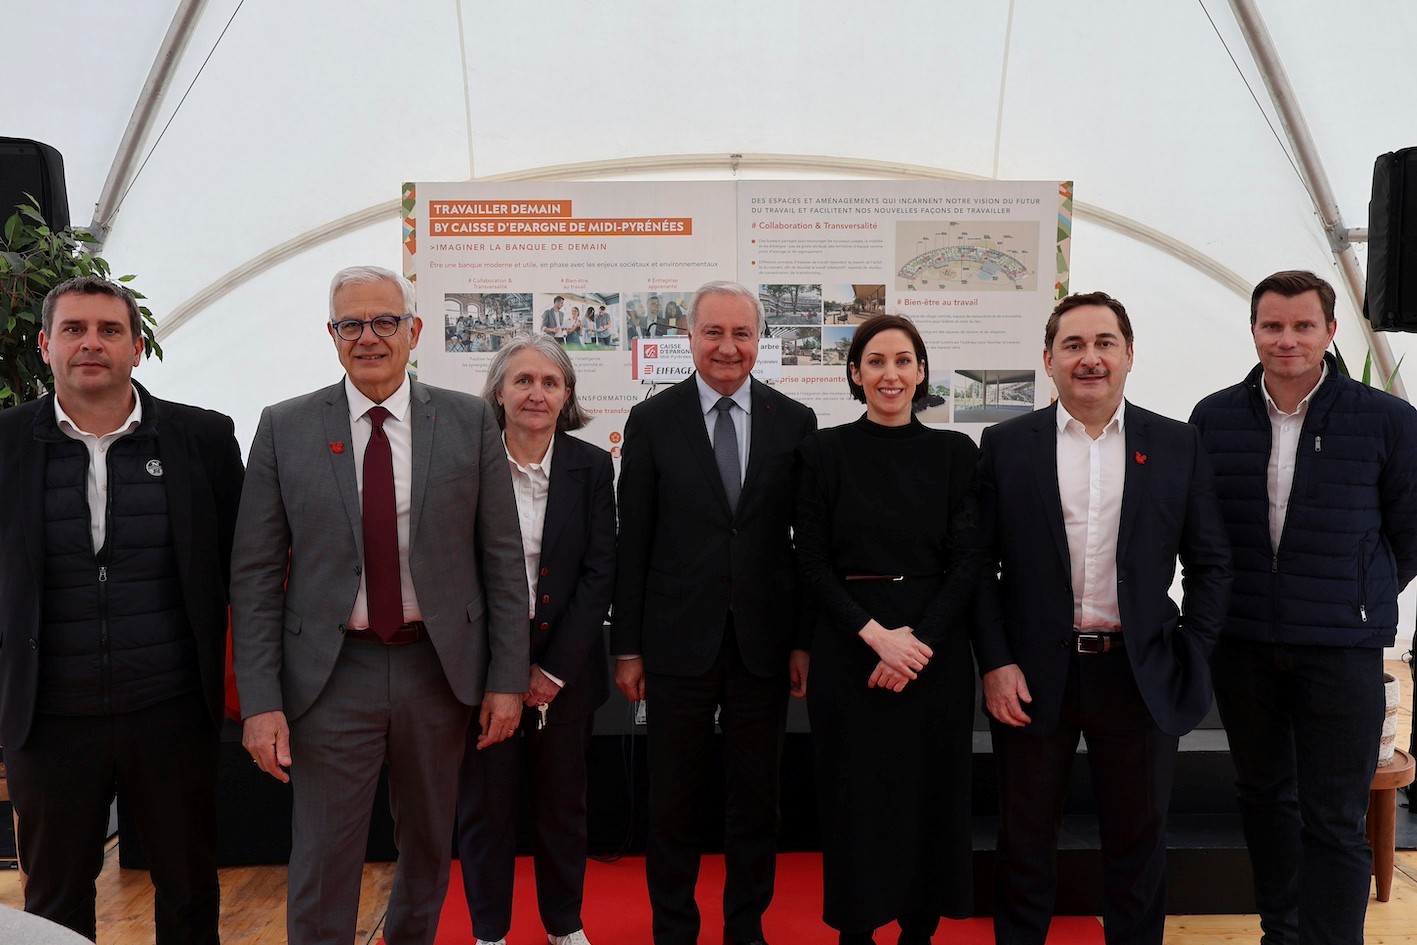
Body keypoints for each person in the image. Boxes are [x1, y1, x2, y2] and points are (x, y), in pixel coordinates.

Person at [230, 265, 528, 945]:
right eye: (351, 323)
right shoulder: (284, 427)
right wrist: (259, 700)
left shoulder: (469, 421)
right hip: (331, 675)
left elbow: (502, 561)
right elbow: (252, 575)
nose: (369, 336)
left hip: (438, 669)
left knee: (427, 849)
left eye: (384, 321)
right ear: (332, 335)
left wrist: (507, 679)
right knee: (323, 858)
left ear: (413, 330)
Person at [975, 291, 1231, 945]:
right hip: (1031, 675)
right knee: (1024, 838)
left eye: (1103, 343)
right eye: (1072, 345)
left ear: (1128, 354)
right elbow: (977, 568)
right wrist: (996, 662)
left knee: (1137, 843)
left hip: (1139, 672)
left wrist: (1190, 653)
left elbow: (1211, 563)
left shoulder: (1177, 444)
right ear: (1047, 359)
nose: (1089, 358)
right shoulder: (1004, 445)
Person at [0, 275, 244, 943]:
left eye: (109, 330)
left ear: (139, 348)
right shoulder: (6, 444)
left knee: (191, 891)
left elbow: (239, 571)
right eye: (74, 329)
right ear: (46, 344)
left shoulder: (204, 438)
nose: (91, 343)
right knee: (53, 901)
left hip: (171, 709)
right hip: (48, 719)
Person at [1189, 270, 1417, 945]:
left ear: (1329, 331)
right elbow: (1201, 532)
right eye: (1271, 326)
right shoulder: (1213, 416)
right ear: (1254, 329)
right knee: (1263, 800)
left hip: (1340, 650)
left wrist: (1359, 595)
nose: (1285, 340)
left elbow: (1407, 532)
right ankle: (1279, 933)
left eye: (1301, 326)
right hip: (1245, 644)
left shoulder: (1386, 421)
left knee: (1336, 816)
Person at [612, 280, 817, 945]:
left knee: (756, 800)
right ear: (689, 337)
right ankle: (673, 928)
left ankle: (744, 928)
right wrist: (629, 645)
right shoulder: (652, 420)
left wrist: (802, 642)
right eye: (713, 333)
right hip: (676, 644)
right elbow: (633, 537)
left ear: (760, 340)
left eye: (741, 333)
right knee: (674, 800)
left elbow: (805, 547)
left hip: (763, 643)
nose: (727, 347)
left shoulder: (795, 422)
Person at [794, 315, 981, 945]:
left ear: (922, 373)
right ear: (854, 374)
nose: (890, 374)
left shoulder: (957, 454)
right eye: (875, 362)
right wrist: (877, 637)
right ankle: (856, 929)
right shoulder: (823, 452)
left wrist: (915, 645)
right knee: (856, 800)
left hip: (936, 655)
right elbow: (812, 565)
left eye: (903, 361)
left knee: (931, 796)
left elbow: (969, 565)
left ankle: (919, 930)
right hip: (850, 653)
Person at [457, 334, 615, 945]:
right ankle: (489, 931)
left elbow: (601, 571)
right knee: (485, 811)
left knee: (562, 810)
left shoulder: (591, 466)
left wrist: (551, 672)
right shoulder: (468, 464)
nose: (536, 393)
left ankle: (563, 925)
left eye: (550, 382)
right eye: (522, 380)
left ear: (567, 395)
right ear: (498, 391)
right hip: (482, 668)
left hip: (565, 671)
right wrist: (504, 668)